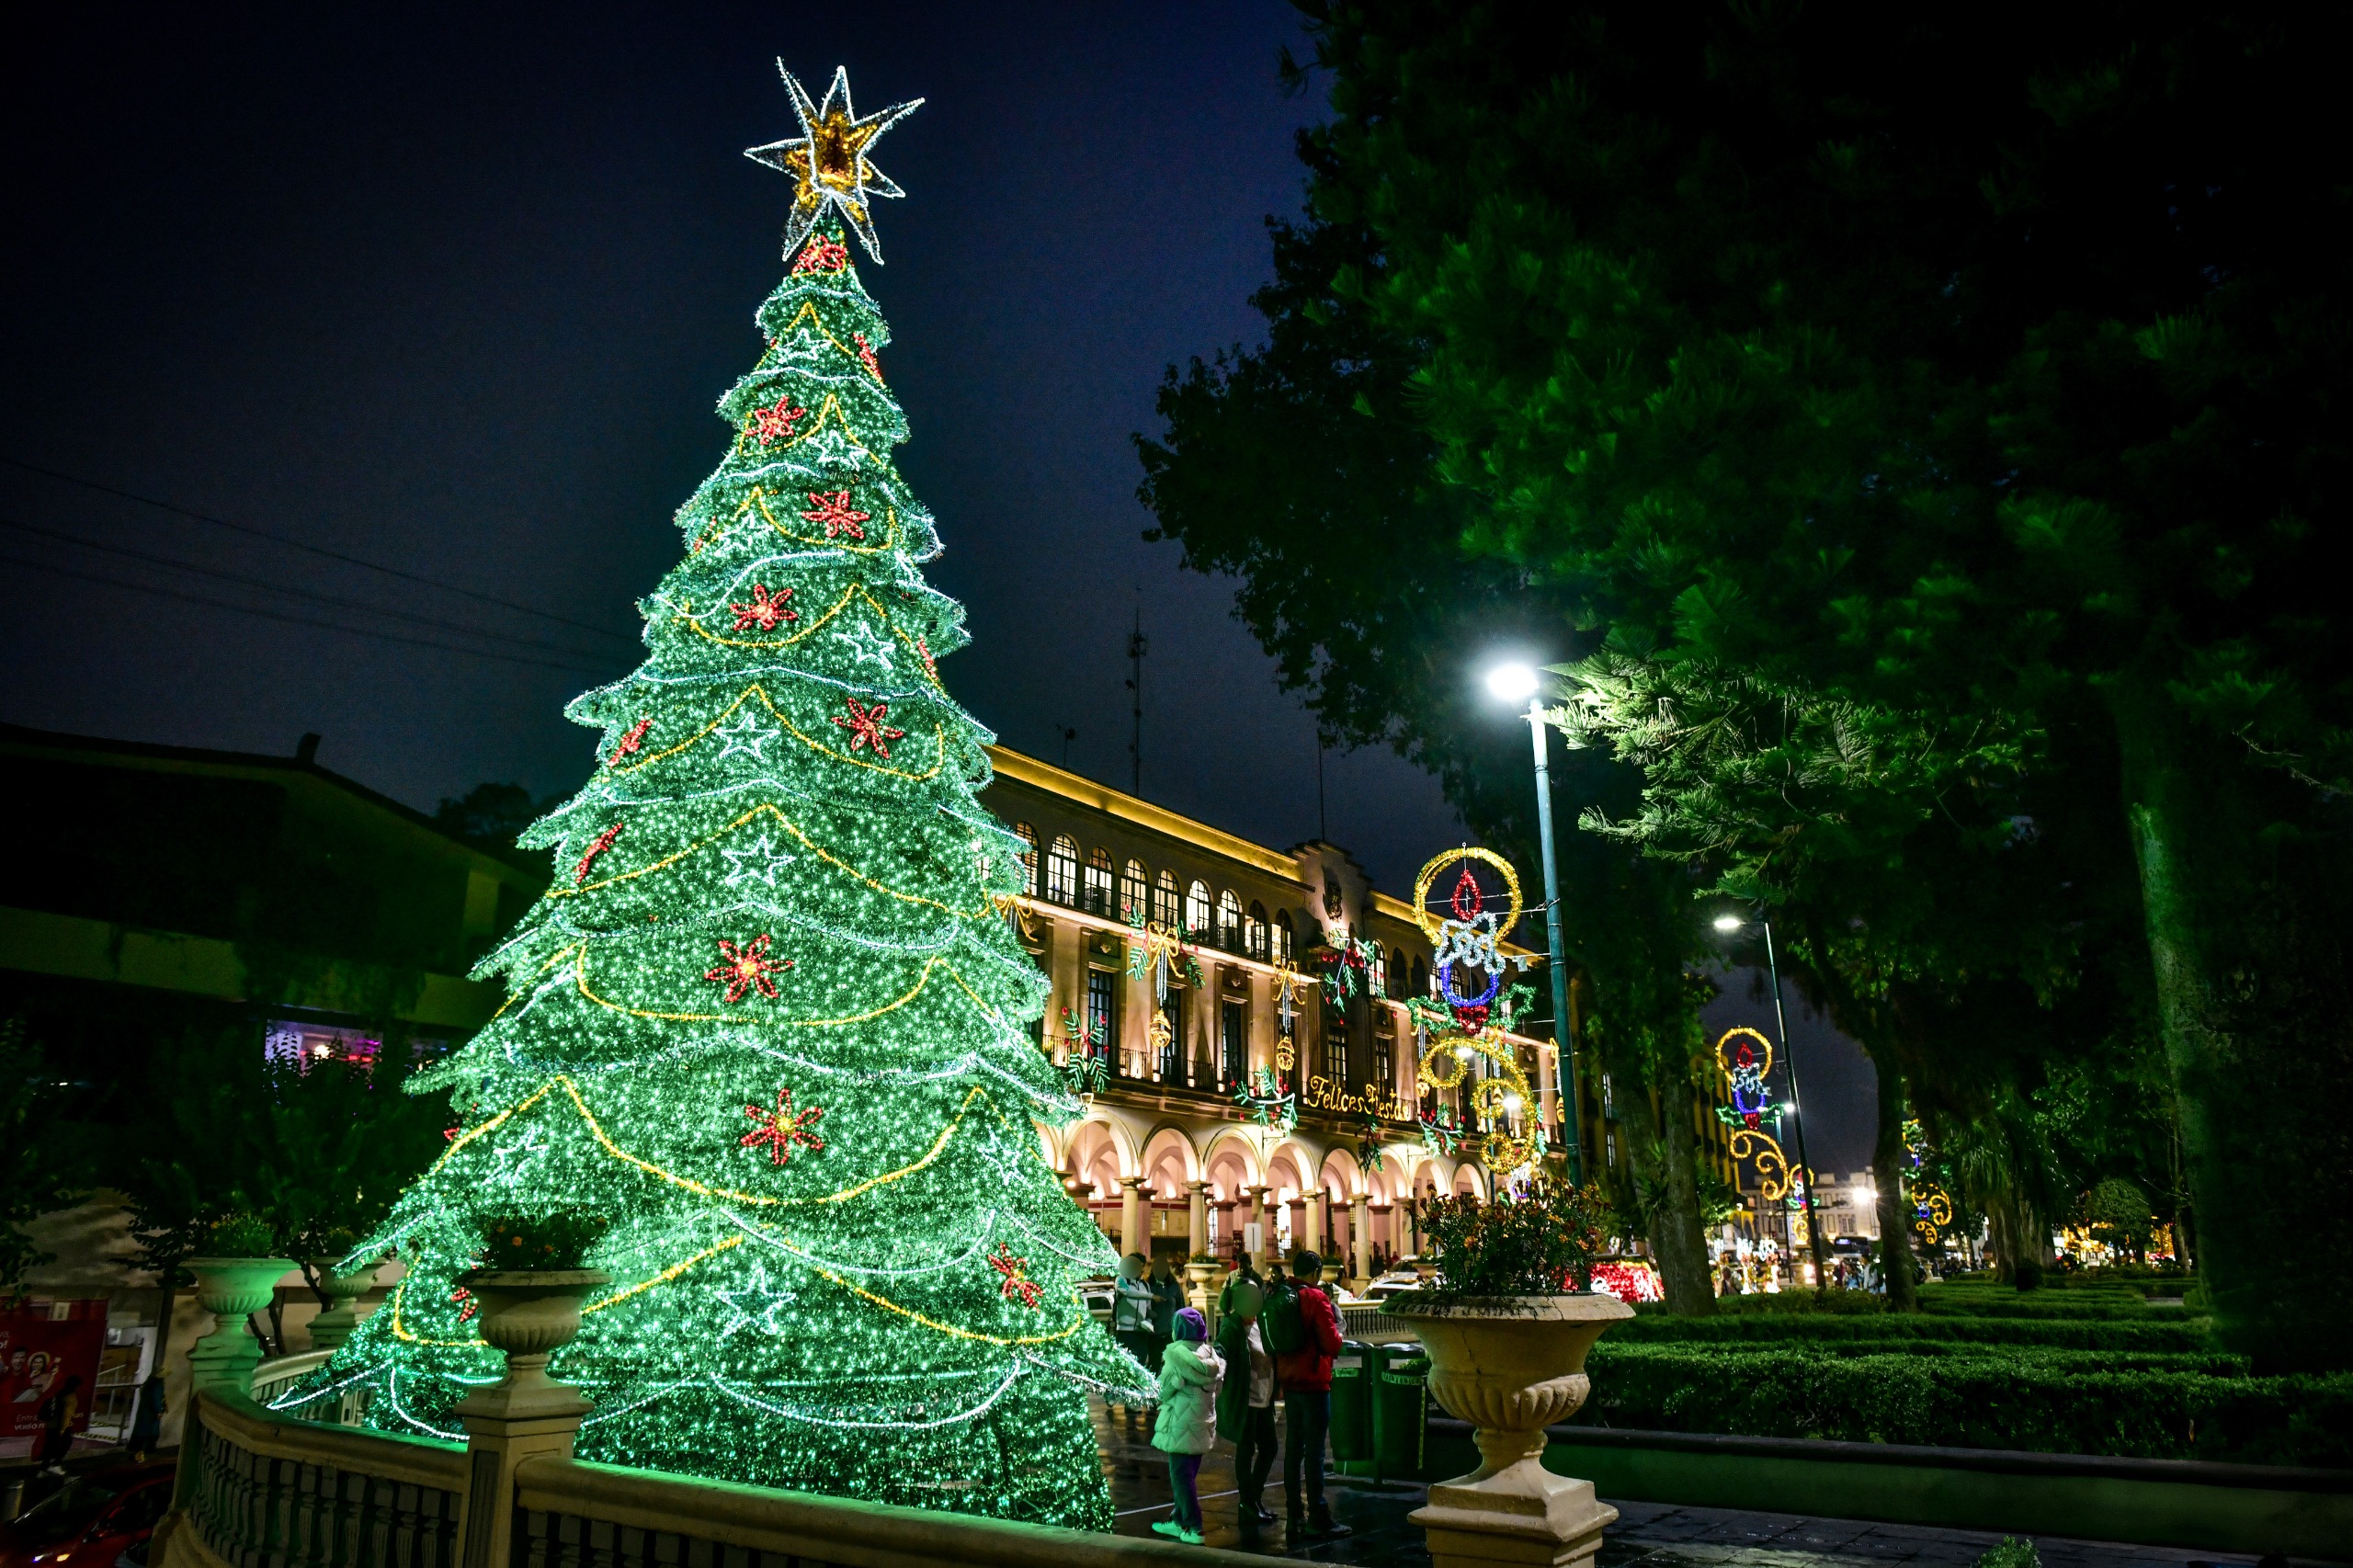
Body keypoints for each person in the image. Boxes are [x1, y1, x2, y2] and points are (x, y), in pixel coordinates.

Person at [1271, 1247, 1350, 1540]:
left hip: (1290, 1384)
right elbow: (1331, 1342)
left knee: (1293, 1449)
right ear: (1316, 1273)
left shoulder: (1281, 1294)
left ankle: (1294, 1515)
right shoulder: (1316, 1297)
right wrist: (1340, 1339)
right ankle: (1319, 1515)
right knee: (1315, 1452)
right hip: (1315, 1383)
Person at [1150, 1307, 1223, 1546]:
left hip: (1181, 1424)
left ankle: (1194, 1526)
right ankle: (1179, 1519)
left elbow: (1161, 1392)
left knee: (1181, 1478)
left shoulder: (1176, 1355)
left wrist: (1174, 1381)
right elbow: (1217, 1391)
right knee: (1189, 1473)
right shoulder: (1210, 1356)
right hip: (1202, 1423)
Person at [1214, 1278, 1279, 1534]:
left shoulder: (1260, 1323)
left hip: (1263, 1397)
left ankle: (1253, 1497)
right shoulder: (1231, 1327)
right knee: (1246, 1449)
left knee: (1269, 1448)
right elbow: (1221, 1352)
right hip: (1246, 1399)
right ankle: (1248, 1502)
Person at [1111, 1254, 1159, 1379]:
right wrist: (1151, 1296)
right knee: (1124, 1364)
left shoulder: (1145, 1285)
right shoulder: (1121, 1280)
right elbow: (1128, 1293)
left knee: (1141, 1363)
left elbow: (1148, 1309)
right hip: (1125, 1331)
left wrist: (1148, 1321)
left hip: (1141, 1332)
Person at [36, 1372, 82, 1472]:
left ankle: (44, 1467)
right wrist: (62, 1429)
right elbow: (67, 1415)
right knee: (66, 1442)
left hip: (51, 1424)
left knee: (49, 1445)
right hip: (59, 1425)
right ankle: (56, 1464)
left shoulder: (60, 1393)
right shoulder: (71, 1396)